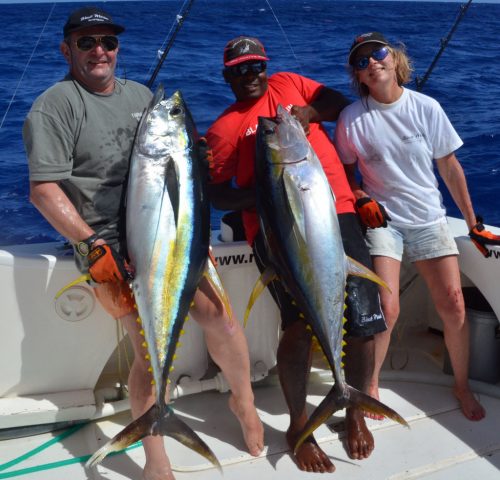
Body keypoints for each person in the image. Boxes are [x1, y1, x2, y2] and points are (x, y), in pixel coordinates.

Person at [23, 8, 263, 480]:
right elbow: (43, 190)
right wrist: (92, 245)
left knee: (221, 319)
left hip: (170, 232)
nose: (99, 51)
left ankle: (244, 402)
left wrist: (195, 150)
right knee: (150, 353)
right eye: (87, 41)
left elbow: (172, 164)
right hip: (106, 246)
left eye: (108, 43)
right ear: (66, 49)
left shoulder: (141, 97)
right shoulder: (54, 106)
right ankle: (156, 458)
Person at [206, 36, 387, 473]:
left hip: (337, 216)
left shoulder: (289, 85)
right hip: (279, 232)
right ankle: (298, 425)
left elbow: (339, 103)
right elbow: (216, 194)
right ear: (227, 76)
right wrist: (266, 192)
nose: (250, 77)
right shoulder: (226, 128)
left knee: (363, 321)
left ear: (267, 68)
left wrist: (309, 113)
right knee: (299, 326)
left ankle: (353, 408)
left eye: (256, 68)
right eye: (239, 71)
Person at [334, 31, 500, 422]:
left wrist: (473, 222)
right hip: (383, 222)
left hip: (428, 217)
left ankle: (461, 385)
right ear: (357, 76)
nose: (372, 63)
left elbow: (450, 167)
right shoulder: (350, 118)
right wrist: (360, 197)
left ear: (394, 60)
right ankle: (370, 385)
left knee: (454, 305)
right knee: (386, 308)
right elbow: (344, 172)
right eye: (361, 61)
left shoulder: (427, 107)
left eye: (377, 54)